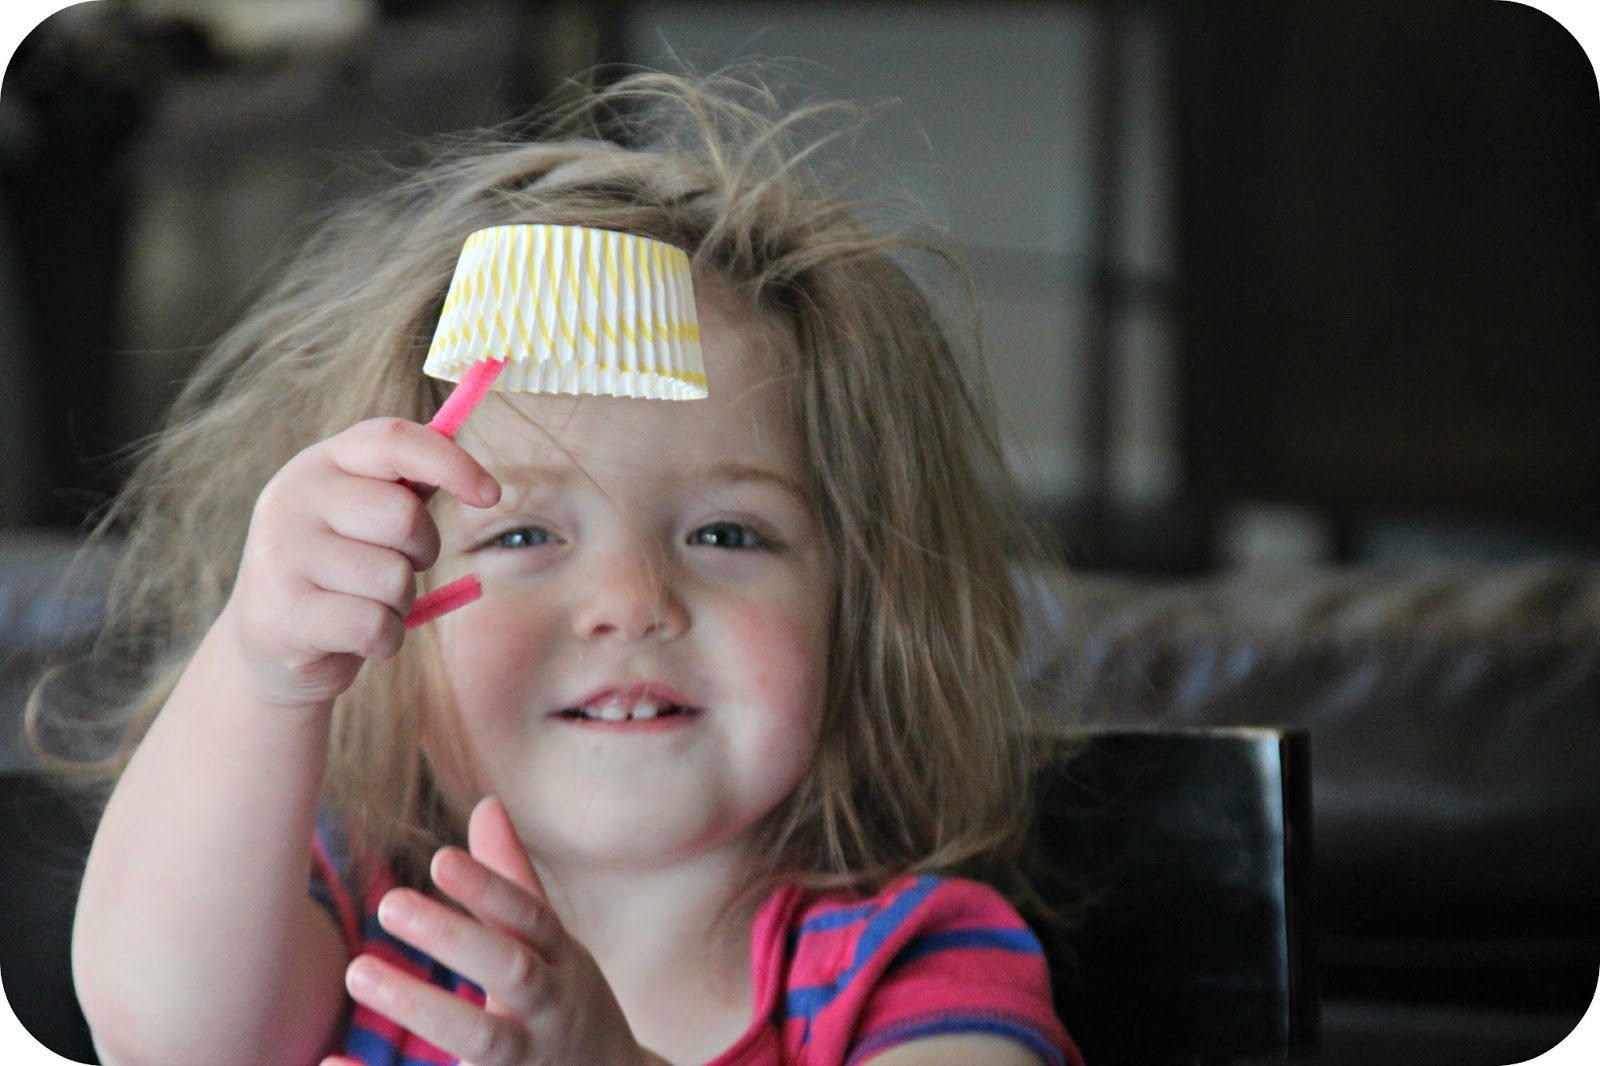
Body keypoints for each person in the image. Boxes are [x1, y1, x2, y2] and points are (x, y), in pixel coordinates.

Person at [60, 69, 1082, 1066]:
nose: (631, 603)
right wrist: (262, 666)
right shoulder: (360, 918)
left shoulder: (913, 968)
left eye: (726, 534)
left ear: (860, 606)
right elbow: (157, 1033)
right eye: (518, 535)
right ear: (390, 626)